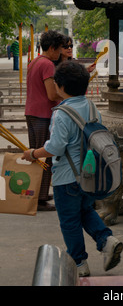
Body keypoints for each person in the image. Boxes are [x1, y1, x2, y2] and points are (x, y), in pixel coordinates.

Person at [22, 60, 123, 276]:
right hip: (90, 175)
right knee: (86, 210)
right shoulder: (91, 106)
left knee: (69, 221)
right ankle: (106, 240)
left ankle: (79, 263)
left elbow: (55, 147)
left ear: (61, 87)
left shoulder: (62, 113)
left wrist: (33, 153)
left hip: (66, 178)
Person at [25, 30, 65, 211]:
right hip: (43, 114)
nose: (60, 54)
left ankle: (38, 192)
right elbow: (51, 93)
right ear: (51, 48)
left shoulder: (34, 61)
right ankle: (40, 198)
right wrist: (66, 97)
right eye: (59, 50)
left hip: (32, 112)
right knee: (44, 154)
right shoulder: (48, 64)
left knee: (36, 153)